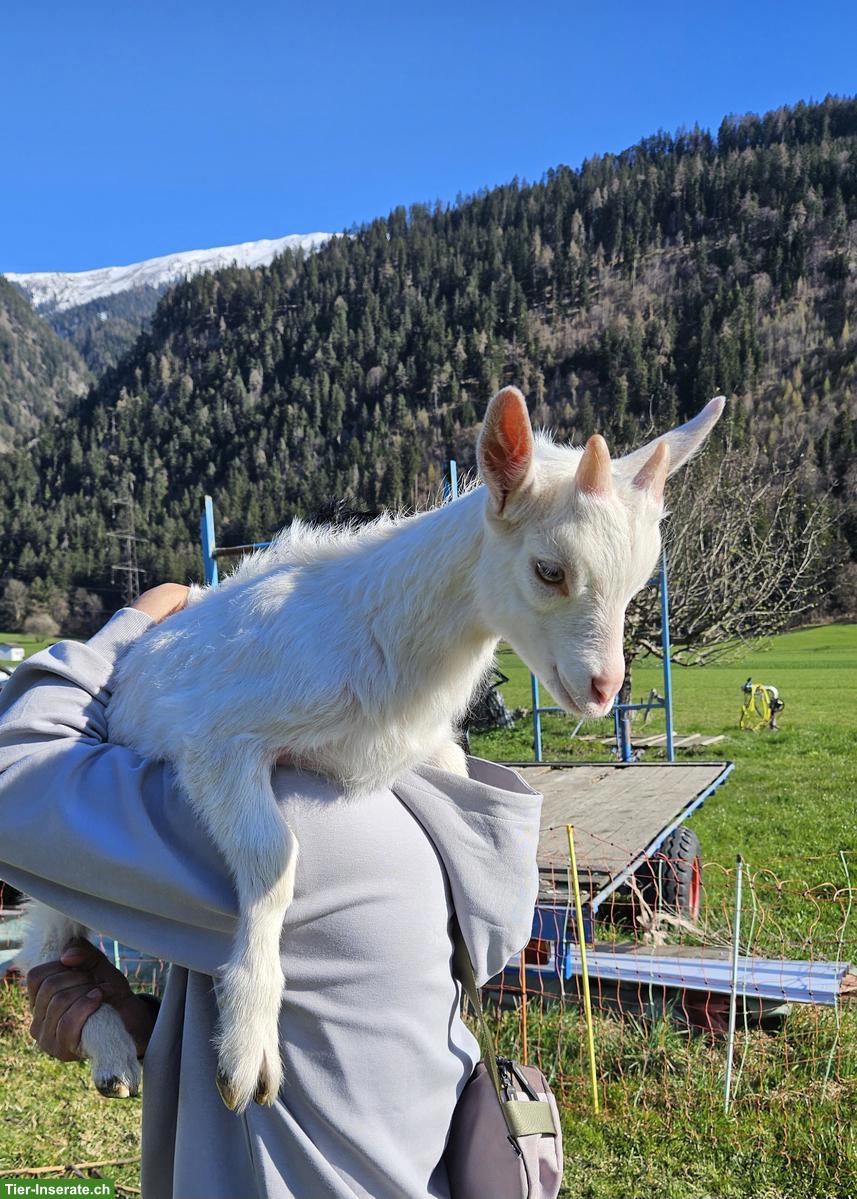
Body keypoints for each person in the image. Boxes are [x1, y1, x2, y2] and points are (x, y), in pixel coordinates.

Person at [0, 584, 543, 1199]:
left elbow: (14, 778)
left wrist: (135, 621)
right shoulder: (419, 810)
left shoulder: (303, 827)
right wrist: (154, 1030)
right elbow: (327, 1052)